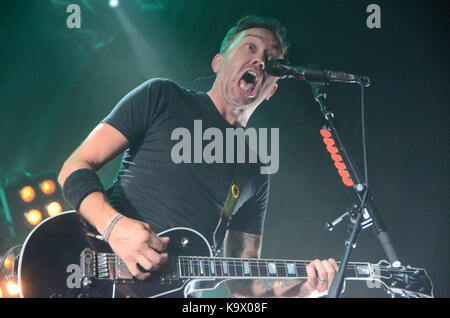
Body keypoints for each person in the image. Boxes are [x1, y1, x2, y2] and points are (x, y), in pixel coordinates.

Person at [58, 15, 339, 298]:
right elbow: (74, 166)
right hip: (96, 277)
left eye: (272, 58)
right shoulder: (161, 97)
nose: (261, 61)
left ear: (272, 90)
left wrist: (305, 290)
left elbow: (244, 286)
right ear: (218, 62)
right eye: (251, 47)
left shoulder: (255, 169)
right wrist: (114, 228)